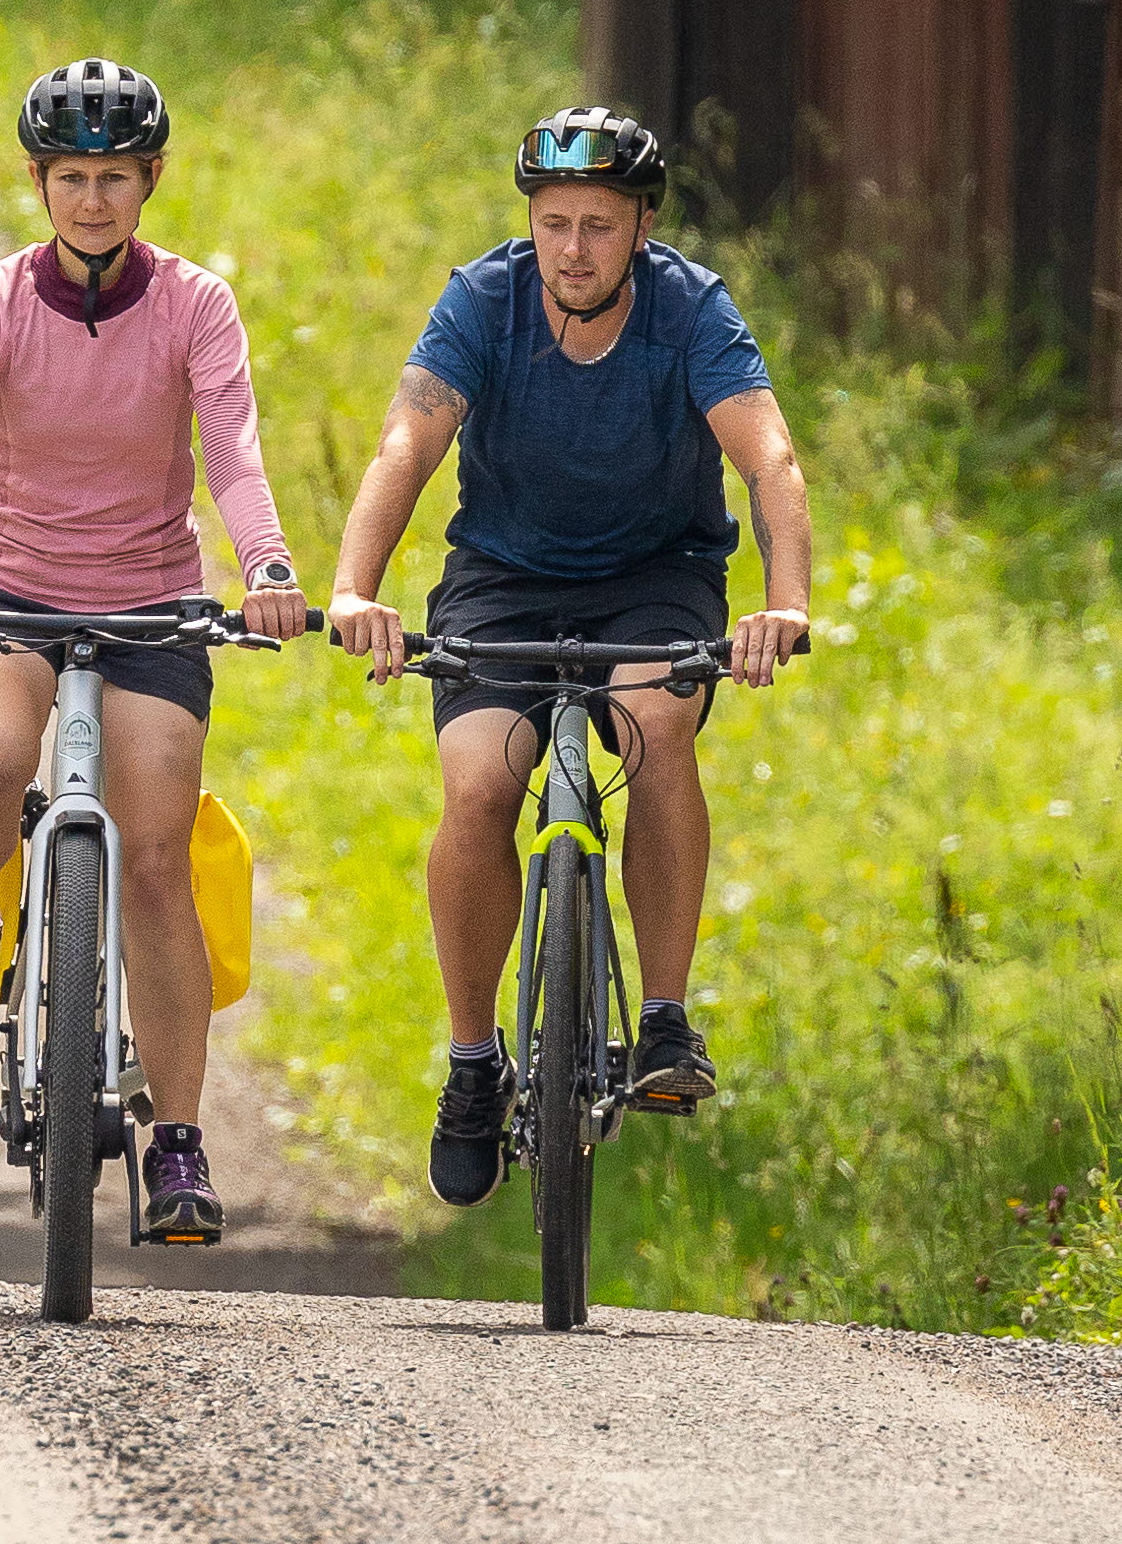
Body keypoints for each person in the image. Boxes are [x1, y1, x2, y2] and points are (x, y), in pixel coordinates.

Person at [0, 59, 314, 1244]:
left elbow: (234, 453)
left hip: (152, 604)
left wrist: (264, 567)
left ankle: (177, 1141)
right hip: (8, 590)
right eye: (70, 177)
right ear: (38, 182)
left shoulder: (196, 304)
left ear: (148, 179)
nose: (92, 200)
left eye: (113, 176)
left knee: (156, 851)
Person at [324, 105, 812, 1208]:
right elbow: (409, 435)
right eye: (554, 223)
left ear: (641, 225)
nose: (574, 248)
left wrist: (781, 606)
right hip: (504, 577)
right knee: (481, 777)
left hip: (656, 576)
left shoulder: (692, 309)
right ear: (530, 224)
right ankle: (468, 1062)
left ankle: (665, 1020)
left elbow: (768, 456)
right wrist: (356, 585)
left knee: (653, 721)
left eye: (598, 223)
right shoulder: (483, 299)